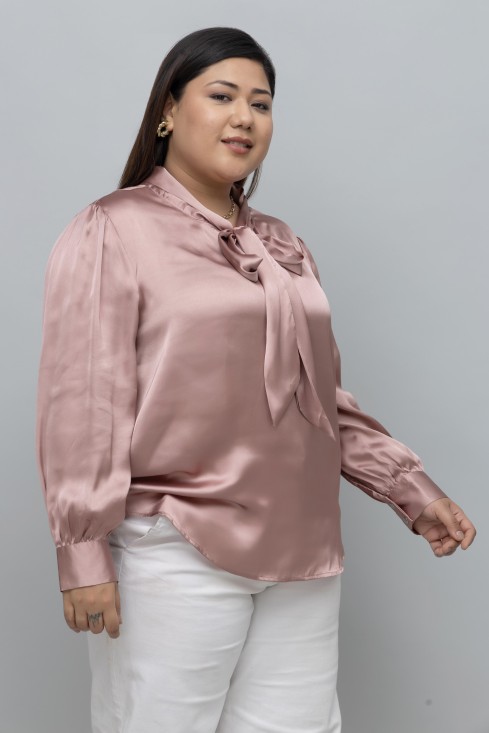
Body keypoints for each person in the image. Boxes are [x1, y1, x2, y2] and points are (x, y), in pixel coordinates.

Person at [35, 26, 476, 733]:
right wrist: (82, 549)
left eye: (261, 103)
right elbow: (84, 400)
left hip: (303, 552)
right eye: (222, 96)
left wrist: (409, 489)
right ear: (168, 110)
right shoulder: (113, 229)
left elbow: (322, 399)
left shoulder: (282, 244)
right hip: (174, 544)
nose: (244, 116)